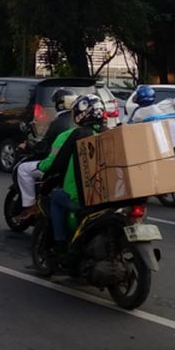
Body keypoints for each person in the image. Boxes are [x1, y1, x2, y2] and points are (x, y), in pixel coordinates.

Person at [38, 94, 106, 248]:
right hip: (106, 197)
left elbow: (57, 163)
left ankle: (60, 242)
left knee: (55, 198)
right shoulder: (108, 133)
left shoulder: (76, 135)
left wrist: (45, 174)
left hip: (80, 196)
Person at [15, 88, 76, 221]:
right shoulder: (76, 122)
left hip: (56, 166)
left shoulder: (58, 122)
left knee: (23, 169)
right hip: (71, 166)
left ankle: (30, 206)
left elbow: (46, 146)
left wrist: (29, 145)